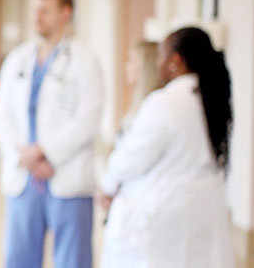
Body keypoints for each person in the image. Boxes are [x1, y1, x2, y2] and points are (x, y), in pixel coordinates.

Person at [98, 27, 234, 267]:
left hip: (169, 215)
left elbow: (130, 159)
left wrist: (108, 186)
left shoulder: (164, 103)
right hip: (205, 207)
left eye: (161, 55)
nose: (157, 62)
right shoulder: (209, 98)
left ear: (175, 62)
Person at [0, 0, 103, 268]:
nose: (37, 17)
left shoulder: (86, 62)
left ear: (66, 13)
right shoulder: (17, 59)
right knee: (19, 259)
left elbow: (88, 120)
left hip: (65, 174)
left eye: (45, 11)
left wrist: (45, 152)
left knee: (72, 260)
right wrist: (24, 156)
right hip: (24, 176)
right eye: (34, 11)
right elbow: (0, 114)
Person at [120, 41, 161, 134]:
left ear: (146, 65)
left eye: (131, 60)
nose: (126, 66)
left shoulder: (155, 106)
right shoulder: (139, 103)